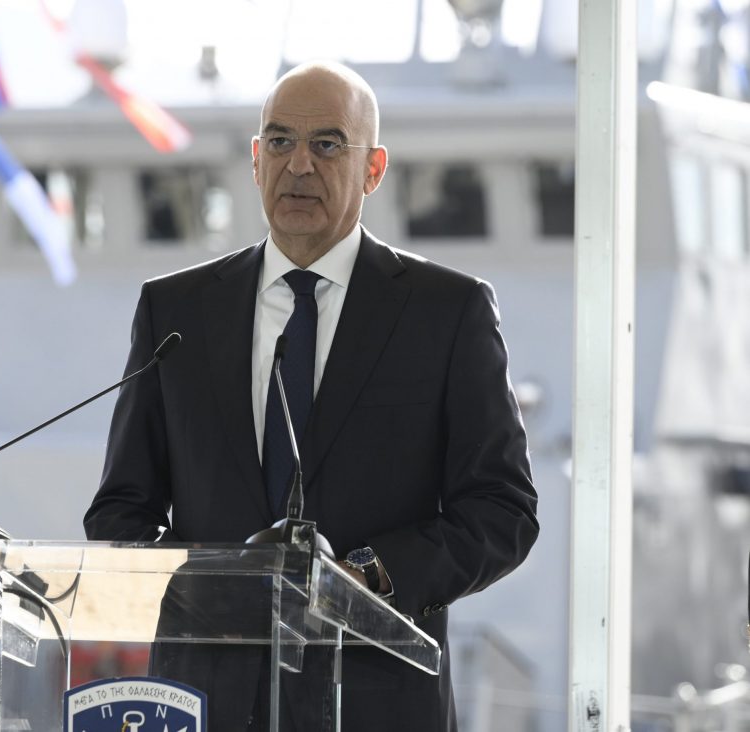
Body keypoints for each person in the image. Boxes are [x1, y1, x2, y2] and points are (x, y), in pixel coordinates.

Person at [84, 61, 539, 731]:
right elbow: (121, 512)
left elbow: (502, 510)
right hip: (205, 703)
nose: (298, 165)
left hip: (375, 705)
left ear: (373, 169)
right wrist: (213, 588)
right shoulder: (174, 311)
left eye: (327, 144)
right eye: (279, 141)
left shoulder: (447, 313)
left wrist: (369, 577)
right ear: (255, 160)